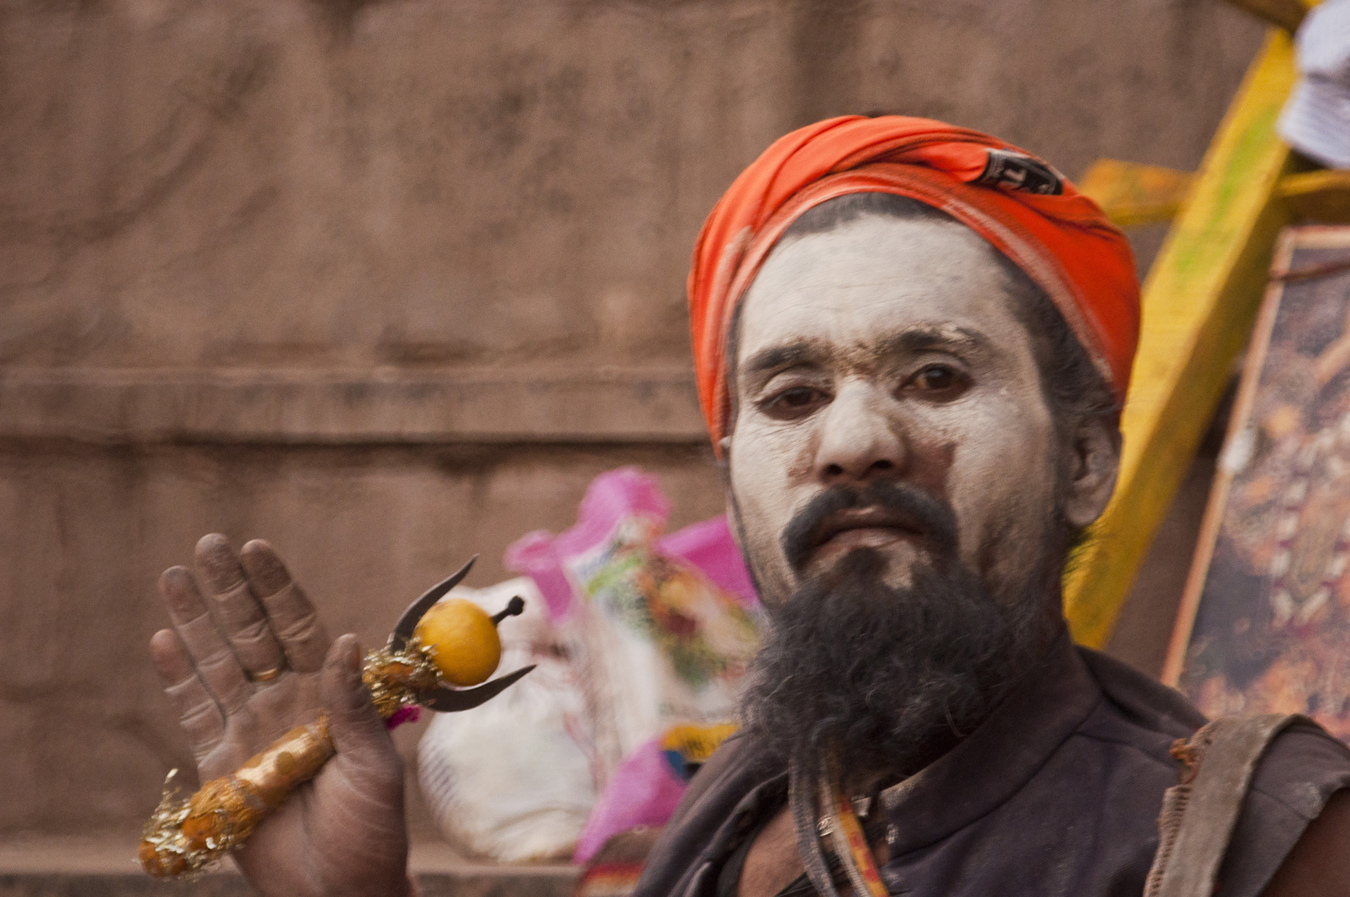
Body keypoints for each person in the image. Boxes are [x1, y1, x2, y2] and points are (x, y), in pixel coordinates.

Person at [148, 116, 1350, 897]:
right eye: (791, 393)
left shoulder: (1253, 844)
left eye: (936, 378)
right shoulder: (744, 810)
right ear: (735, 473)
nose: (855, 444)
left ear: (1086, 460)